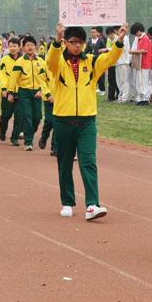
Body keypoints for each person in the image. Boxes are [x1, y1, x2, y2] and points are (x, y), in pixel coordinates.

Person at [45, 21, 127, 221]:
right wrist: (56, 40)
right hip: (63, 120)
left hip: (87, 121)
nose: (78, 46)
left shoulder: (91, 62)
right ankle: (67, 202)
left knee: (88, 161)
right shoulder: (58, 64)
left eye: (81, 42)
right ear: (65, 43)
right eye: (73, 42)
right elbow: (50, 61)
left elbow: (109, 59)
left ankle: (92, 204)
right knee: (64, 163)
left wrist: (119, 41)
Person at [7, 36, 48, 151]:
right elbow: (13, 78)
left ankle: (28, 132)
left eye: (32, 45)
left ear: (36, 47)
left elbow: (45, 78)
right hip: (24, 92)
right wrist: (10, 92)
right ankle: (28, 141)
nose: (30, 47)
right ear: (23, 48)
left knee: (37, 117)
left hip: (38, 92)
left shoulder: (41, 61)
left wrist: (41, 90)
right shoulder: (20, 62)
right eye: (27, 45)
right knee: (27, 116)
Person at [0, 37, 23, 145]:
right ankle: (3, 131)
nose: (13, 49)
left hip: (21, 92)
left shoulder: (23, 60)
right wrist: (4, 89)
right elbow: (2, 75)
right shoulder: (4, 60)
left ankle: (14, 137)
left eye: (15, 46)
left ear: (19, 47)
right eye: (11, 46)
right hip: (7, 91)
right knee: (5, 115)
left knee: (19, 116)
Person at [129, 23, 151, 106]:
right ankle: (141, 98)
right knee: (139, 81)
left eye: (135, 33)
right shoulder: (139, 38)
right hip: (139, 63)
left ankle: (145, 98)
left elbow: (144, 50)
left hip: (144, 63)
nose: (136, 35)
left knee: (143, 81)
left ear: (139, 31)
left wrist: (133, 52)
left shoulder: (145, 38)